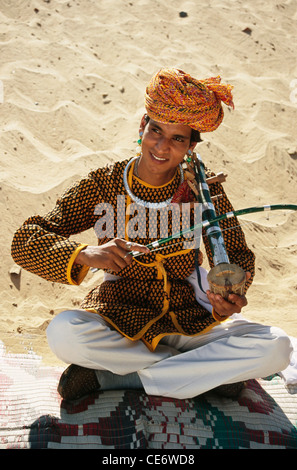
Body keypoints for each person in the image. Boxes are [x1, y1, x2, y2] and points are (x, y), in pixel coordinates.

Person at [11, 68, 292, 401]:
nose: (162, 146)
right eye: (156, 131)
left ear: (190, 147)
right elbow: (25, 240)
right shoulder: (104, 183)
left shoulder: (203, 190)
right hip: (120, 317)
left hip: (192, 315)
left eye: (178, 139)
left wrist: (229, 292)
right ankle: (204, 375)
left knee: (277, 347)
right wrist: (86, 254)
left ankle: (120, 379)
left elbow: (237, 255)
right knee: (64, 334)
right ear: (141, 128)